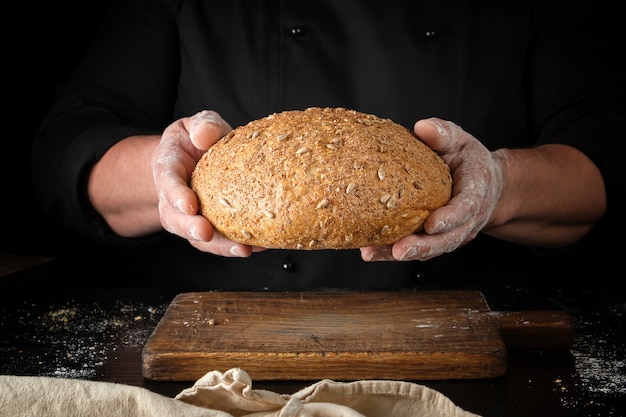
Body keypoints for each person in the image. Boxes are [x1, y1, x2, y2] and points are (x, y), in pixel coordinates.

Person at [32, 0, 626, 290]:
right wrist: (164, 174)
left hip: (469, 332)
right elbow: (66, 148)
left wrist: (497, 185)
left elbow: (606, 159)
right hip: (216, 349)